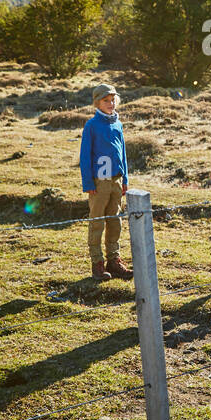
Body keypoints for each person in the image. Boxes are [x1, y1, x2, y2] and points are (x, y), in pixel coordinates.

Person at [79, 83, 133, 282]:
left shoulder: (117, 123)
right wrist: (88, 184)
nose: (111, 104)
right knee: (97, 221)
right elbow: (85, 157)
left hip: (116, 180)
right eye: (106, 101)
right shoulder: (92, 125)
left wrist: (125, 178)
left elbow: (123, 154)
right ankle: (98, 263)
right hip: (99, 182)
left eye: (113, 100)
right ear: (97, 102)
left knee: (114, 220)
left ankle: (114, 260)